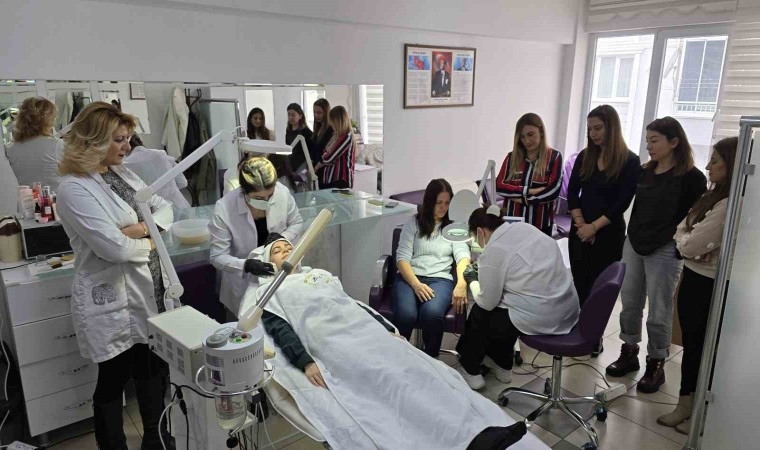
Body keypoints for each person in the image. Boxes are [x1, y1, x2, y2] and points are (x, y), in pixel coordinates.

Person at [239, 238, 530, 450]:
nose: (286, 250)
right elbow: (280, 329)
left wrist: (385, 327)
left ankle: (476, 430)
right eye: (278, 250)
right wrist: (305, 361)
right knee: (390, 380)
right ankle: (451, 440)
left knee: (418, 371)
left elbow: (352, 305)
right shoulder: (270, 290)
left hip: (364, 331)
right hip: (331, 341)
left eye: (289, 246)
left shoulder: (320, 275)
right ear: (268, 261)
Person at [55, 102, 175, 450]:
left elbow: (164, 207)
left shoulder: (122, 173)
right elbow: (114, 248)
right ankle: (112, 445)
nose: (127, 146)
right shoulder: (73, 188)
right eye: (119, 139)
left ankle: (155, 439)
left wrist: (139, 229)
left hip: (151, 287)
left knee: (151, 369)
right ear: (93, 141)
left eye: (128, 138)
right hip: (112, 296)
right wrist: (151, 238)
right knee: (113, 378)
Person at [606, 117, 707, 393]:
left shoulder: (692, 177)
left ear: (674, 142)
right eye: (647, 141)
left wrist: (678, 244)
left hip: (664, 248)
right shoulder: (644, 172)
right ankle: (629, 351)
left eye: (654, 141)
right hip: (635, 243)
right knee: (629, 302)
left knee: (659, 310)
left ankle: (656, 362)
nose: (648, 146)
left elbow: (696, 217)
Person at [656, 137, 737, 436]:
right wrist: (688, 241)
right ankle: (685, 404)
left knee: (703, 349)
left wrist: (688, 242)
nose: (708, 166)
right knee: (691, 347)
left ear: (732, 165)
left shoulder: (729, 203)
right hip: (692, 277)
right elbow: (683, 229)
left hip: (708, 284)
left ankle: (701, 411)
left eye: (715, 161)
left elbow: (691, 244)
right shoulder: (711, 196)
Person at [455, 206, 579, 390]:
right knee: (506, 307)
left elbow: (487, 302)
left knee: (481, 313)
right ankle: (502, 366)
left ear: (480, 232)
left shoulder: (494, 250)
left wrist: (472, 280)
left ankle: (470, 369)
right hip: (566, 308)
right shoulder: (525, 228)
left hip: (543, 317)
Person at [567, 105, 640, 356]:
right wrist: (581, 225)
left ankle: (594, 335)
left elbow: (622, 202)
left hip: (608, 233)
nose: (593, 134)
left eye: (597, 128)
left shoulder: (630, 161)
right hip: (580, 230)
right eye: (590, 129)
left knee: (600, 288)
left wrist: (594, 227)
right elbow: (572, 192)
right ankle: (581, 330)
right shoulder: (585, 156)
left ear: (612, 127)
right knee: (581, 282)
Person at [209, 156, 304, 316]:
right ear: (243, 191)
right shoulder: (225, 208)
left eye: (270, 195)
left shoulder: (282, 193)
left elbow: (297, 222)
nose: (266, 201)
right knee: (242, 324)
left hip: (278, 280)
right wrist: (246, 265)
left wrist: (282, 237)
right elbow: (217, 256)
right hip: (241, 284)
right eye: (259, 198)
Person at [392, 179, 470, 358]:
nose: (443, 208)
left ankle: (431, 359)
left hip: (440, 280)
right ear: (429, 202)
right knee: (406, 315)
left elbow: (463, 257)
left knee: (432, 314)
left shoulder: (453, 227)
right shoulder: (413, 223)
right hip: (409, 278)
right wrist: (416, 285)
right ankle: (399, 358)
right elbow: (402, 258)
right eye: (438, 202)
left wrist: (461, 284)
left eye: (447, 203)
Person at [496, 113, 563, 236]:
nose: (526, 141)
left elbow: (553, 191)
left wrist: (525, 200)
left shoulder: (554, 157)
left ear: (541, 132)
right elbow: (499, 187)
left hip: (541, 225)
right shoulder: (512, 157)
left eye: (531, 134)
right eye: (522, 137)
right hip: (513, 223)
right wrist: (529, 191)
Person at [6, 96, 64, 189]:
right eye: (53, 118)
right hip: (55, 196)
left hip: (24, 197)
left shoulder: (9, 149)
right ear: (47, 121)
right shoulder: (56, 145)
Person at [124, 134, 191, 209]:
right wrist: (170, 190)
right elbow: (183, 182)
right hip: (180, 205)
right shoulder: (162, 154)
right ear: (140, 141)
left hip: (157, 209)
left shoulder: (127, 164)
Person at [314, 106, 355, 189]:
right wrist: (326, 157)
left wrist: (325, 158)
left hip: (340, 180)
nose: (331, 124)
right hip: (330, 179)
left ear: (338, 121)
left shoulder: (347, 136)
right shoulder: (336, 135)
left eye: (332, 121)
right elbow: (326, 153)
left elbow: (329, 158)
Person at [284, 103, 313, 189]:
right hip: (291, 164)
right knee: (291, 188)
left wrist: (308, 168)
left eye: (293, 115)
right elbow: (288, 147)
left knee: (301, 187)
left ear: (300, 116)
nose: (290, 117)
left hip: (303, 165)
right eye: (289, 114)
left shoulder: (307, 132)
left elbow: (311, 152)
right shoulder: (288, 130)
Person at [309, 98, 334, 183]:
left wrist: (317, 166)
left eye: (319, 113)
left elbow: (328, 152)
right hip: (315, 168)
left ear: (326, 113)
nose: (316, 115)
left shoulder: (331, 130)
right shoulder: (317, 128)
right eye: (314, 112)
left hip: (324, 170)